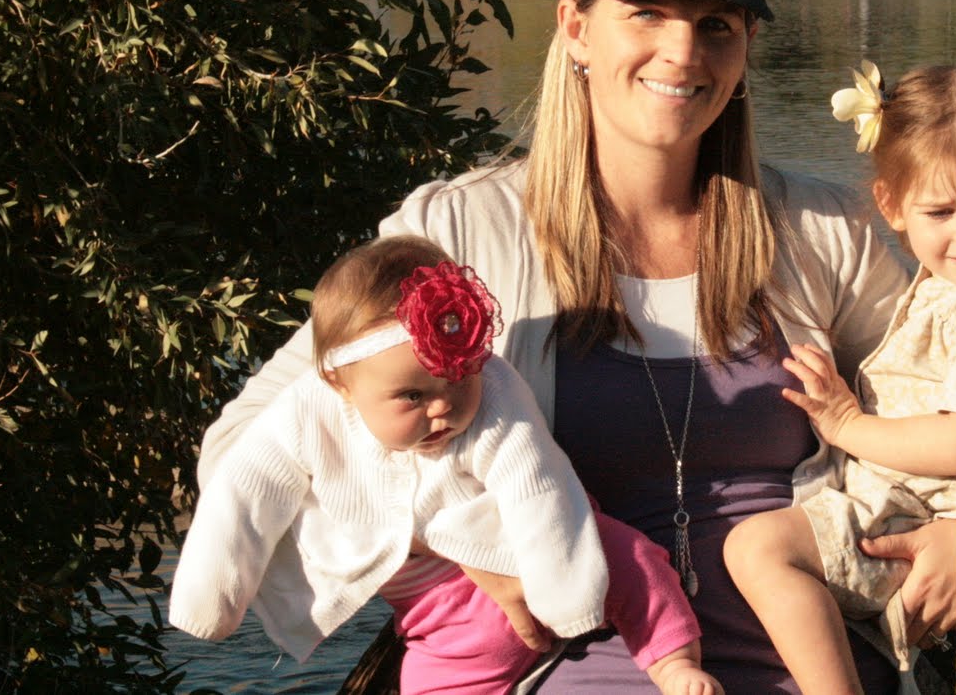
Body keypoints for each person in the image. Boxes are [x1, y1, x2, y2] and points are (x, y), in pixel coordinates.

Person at [198, 0, 956, 692]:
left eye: (715, 23)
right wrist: (458, 542)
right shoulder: (458, 235)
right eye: (647, 13)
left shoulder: (824, 230)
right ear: (576, 28)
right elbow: (246, 451)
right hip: (582, 668)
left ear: (745, 45)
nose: (684, 52)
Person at [171, 236, 721, 695]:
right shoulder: (306, 412)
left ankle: (672, 661)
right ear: (340, 383)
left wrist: (567, 598)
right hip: (441, 614)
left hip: (544, 550)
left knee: (631, 558)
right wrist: (211, 596)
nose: (443, 408)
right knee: (434, 680)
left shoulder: (497, 389)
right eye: (412, 396)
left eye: (459, 381)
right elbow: (245, 491)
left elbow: (537, 481)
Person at [725, 45, 956, 694]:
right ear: (891, 206)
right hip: (903, 509)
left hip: (910, 522)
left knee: (756, 549)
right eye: (940, 212)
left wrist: (845, 423)